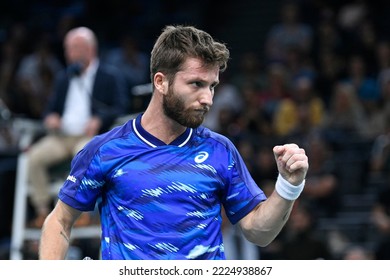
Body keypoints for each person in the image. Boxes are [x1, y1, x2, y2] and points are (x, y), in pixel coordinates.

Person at [39, 25, 309, 260]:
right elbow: (59, 222)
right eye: (196, 84)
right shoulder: (105, 150)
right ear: (161, 82)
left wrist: (288, 186)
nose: (208, 99)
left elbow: (258, 232)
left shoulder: (221, 151)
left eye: (212, 86)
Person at [27, 26, 127, 228]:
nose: (69, 54)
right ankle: (43, 211)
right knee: (33, 157)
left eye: (73, 48)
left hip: (88, 135)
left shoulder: (109, 76)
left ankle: (79, 211)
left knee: (83, 154)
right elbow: (49, 110)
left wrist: (99, 119)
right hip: (61, 136)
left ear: (90, 49)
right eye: (67, 49)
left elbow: (120, 107)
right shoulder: (64, 78)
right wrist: (51, 117)